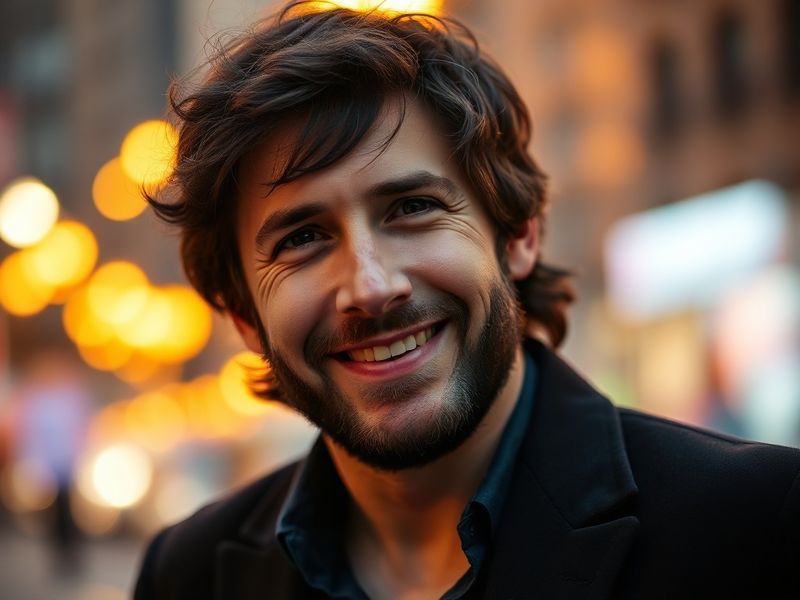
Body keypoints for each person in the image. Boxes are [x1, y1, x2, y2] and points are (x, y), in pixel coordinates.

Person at [134, 3, 800, 598]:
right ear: (245, 317)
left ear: (518, 234)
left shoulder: (757, 526)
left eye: (412, 208)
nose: (371, 287)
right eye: (302, 239)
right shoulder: (187, 577)